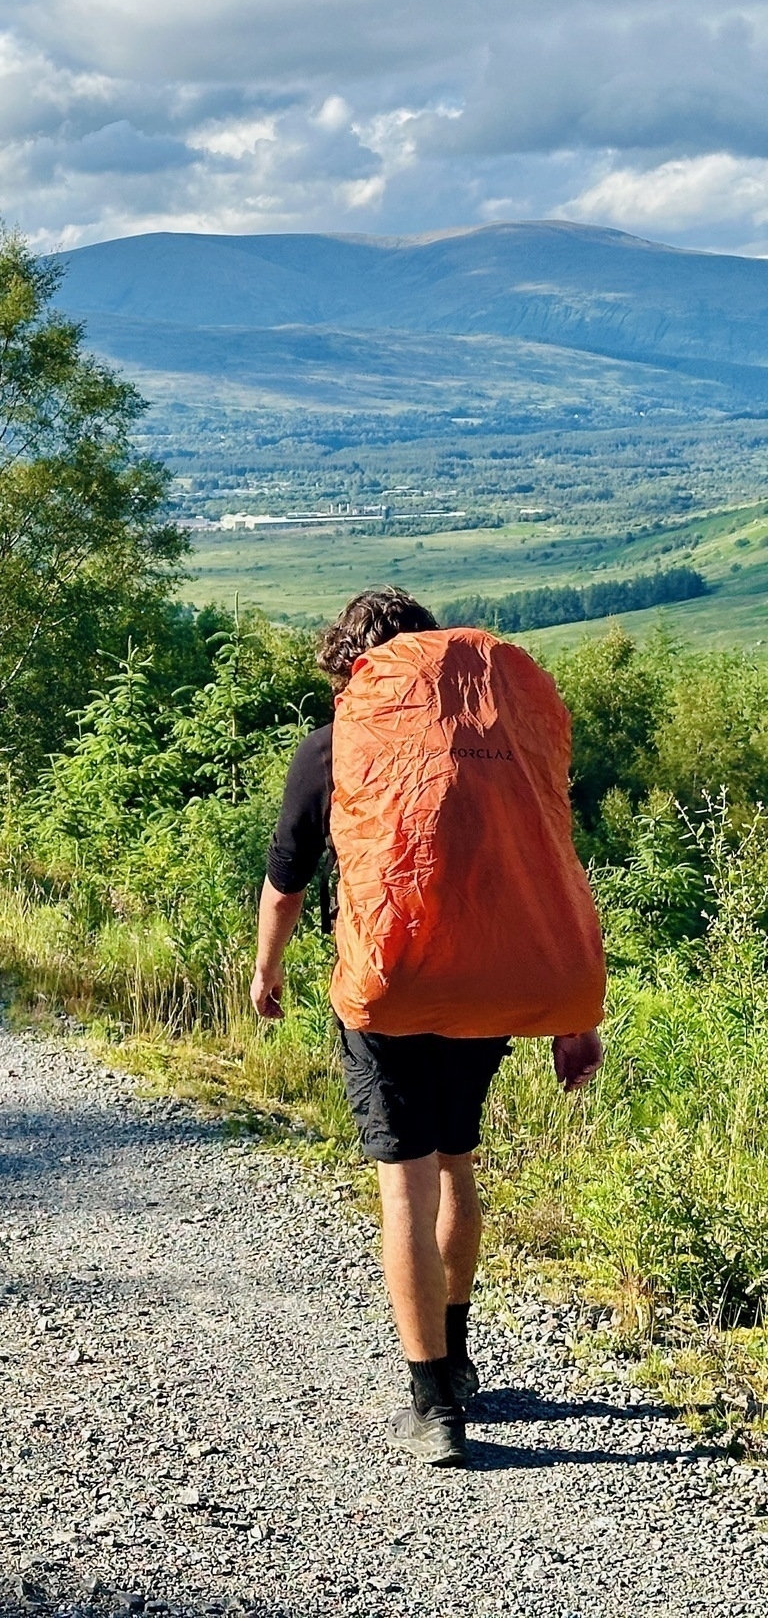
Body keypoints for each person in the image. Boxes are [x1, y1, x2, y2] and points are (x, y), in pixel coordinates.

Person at [250, 587, 603, 1468]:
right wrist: (572, 1012)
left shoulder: (334, 745)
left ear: (352, 663)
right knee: (456, 1166)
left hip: (389, 985)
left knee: (404, 1186)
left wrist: (266, 970)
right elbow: (549, 871)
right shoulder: (498, 746)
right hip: (490, 986)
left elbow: (287, 878)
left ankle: (432, 1397)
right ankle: (459, 1353)